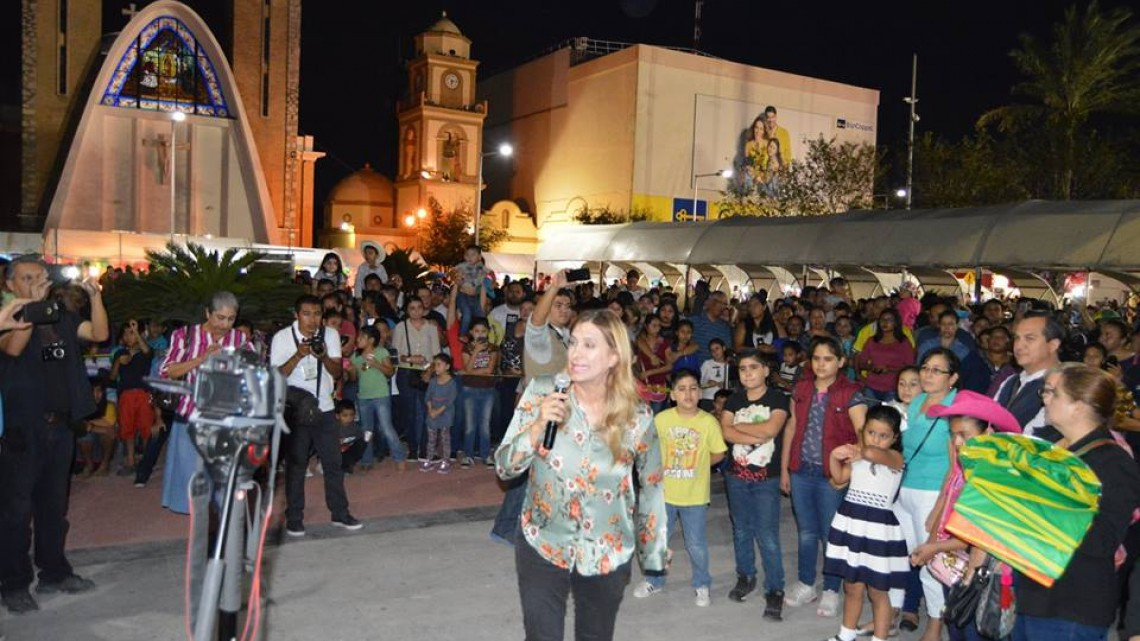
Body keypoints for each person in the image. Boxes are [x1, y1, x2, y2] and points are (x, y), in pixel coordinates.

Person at [494, 309, 666, 641]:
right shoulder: (543, 392)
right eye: (573, 342)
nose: (575, 353)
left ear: (614, 356)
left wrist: (654, 554)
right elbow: (504, 467)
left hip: (605, 551)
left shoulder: (637, 416)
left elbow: (653, 486)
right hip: (543, 543)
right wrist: (536, 428)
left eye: (589, 345)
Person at [0, 256, 107, 613]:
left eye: (40, 277)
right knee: (15, 511)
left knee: (53, 507)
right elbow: (14, 348)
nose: (35, 282)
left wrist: (95, 297)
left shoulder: (60, 315)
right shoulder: (8, 319)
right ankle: (14, 583)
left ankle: (55, 572)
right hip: (23, 429)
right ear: (10, 285)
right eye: (26, 278)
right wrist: (30, 306)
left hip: (60, 427)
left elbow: (99, 334)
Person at [1012, 365, 1140, 641]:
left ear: (1079, 407)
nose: (1045, 399)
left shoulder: (1113, 461)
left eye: (1055, 394)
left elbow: (1104, 540)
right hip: (1033, 592)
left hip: (1072, 604)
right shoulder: (1050, 447)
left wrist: (1044, 504)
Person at [909, 390, 1022, 641]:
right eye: (953, 434)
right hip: (955, 567)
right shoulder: (966, 466)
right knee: (958, 626)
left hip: (979, 571)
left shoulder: (994, 474)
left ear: (989, 432)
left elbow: (980, 534)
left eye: (964, 435)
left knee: (974, 628)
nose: (958, 442)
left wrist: (935, 547)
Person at [781, 336, 869, 617]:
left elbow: (863, 438)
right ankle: (807, 582)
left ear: (841, 362)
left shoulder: (851, 393)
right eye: (816, 358)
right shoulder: (801, 388)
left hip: (832, 475)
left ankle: (832, 587)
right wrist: (785, 467)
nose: (821, 364)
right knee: (806, 531)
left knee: (832, 533)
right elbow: (792, 427)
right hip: (801, 470)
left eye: (828, 358)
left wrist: (847, 473)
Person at [632, 369, 727, 606]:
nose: (688, 393)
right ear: (672, 394)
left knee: (696, 544)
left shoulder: (708, 422)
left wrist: (697, 464)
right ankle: (655, 580)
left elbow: (719, 453)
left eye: (694, 388)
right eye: (682, 389)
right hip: (664, 494)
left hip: (694, 495)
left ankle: (702, 583)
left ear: (700, 392)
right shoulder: (662, 420)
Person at [272, 295, 361, 537]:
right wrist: (299, 355)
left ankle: (340, 513)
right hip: (295, 410)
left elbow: (336, 372)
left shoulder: (330, 335)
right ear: (296, 315)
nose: (313, 319)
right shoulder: (282, 338)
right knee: (296, 465)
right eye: (307, 314)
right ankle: (293, 517)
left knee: (333, 463)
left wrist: (321, 356)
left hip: (324, 407)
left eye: (317, 314)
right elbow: (276, 376)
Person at [821, 405, 908, 641]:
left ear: (895, 438)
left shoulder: (895, 458)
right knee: (852, 586)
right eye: (871, 433)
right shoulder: (858, 456)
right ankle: (846, 635)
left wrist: (859, 449)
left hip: (878, 529)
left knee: (878, 591)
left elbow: (871, 454)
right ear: (863, 431)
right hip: (852, 523)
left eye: (884, 435)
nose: (876, 440)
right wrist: (833, 456)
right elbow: (838, 478)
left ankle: (879, 638)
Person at [719, 350, 790, 620]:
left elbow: (770, 432)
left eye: (753, 367)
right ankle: (746, 575)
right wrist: (754, 432)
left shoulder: (778, 398)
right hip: (736, 476)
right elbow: (725, 431)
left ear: (766, 371)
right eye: (742, 369)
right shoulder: (734, 400)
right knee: (741, 530)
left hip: (766, 479)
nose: (747, 373)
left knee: (767, 534)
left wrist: (742, 429)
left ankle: (774, 589)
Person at [896, 348, 960, 641]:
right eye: (925, 368)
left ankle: (935, 623)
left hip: (931, 492)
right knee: (905, 556)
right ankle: (898, 609)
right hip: (905, 489)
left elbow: (955, 467)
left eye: (937, 370)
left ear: (953, 378)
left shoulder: (954, 409)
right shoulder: (918, 400)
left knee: (931, 563)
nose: (928, 374)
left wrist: (939, 508)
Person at [992, 311, 1063, 439]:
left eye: (1029, 338)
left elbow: (1032, 442)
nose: (1018, 346)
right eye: (1017, 338)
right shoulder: (1010, 381)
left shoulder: (1065, 386)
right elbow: (990, 422)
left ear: (1052, 345)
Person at [348, 325, 404, 471]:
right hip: (364, 396)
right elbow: (354, 377)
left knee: (386, 427)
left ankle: (399, 457)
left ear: (371, 340)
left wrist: (376, 364)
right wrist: (351, 371)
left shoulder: (381, 351)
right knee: (366, 430)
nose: (358, 339)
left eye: (362, 337)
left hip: (380, 395)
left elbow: (390, 372)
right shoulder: (356, 356)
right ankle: (367, 460)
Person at [393, 298, 440, 461]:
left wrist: (430, 371)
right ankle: (413, 449)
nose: (416, 311)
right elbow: (395, 354)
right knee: (410, 413)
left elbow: (436, 354)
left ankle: (426, 449)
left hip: (426, 372)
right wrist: (409, 358)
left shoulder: (431, 327)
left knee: (426, 412)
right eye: (412, 308)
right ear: (407, 310)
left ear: (424, 309)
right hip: (406, 372)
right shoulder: (401, 327)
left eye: (419, 307)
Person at [110, 319, 154, 474]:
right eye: (126, 334)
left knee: (146, 426)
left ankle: (146, 459)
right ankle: (130, 459)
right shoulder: (120, 352)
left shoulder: (145, 351)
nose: (129, 337)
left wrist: (137, 332)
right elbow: (113, 376)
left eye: (132, 333)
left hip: (143, 393)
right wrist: (118, 362)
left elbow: (147, 351)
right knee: (127, 428)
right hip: (126, 394)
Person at [459, 318, 500, 467]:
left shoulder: (493, 348)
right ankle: (468, 454)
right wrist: (476, 351)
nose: (480, 334)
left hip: (487, 389)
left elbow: (490, 370)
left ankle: (485, 454)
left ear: (488, 332)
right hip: (469, 388)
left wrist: (475, 371)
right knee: (470, 423)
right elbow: (468, 370)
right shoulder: (467, 349)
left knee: (484, 424)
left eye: (483, 331)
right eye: (476, 331)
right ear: (471, 332)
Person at [854, 309, 916, 402]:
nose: (885, 322)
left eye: (889, 320)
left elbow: (910, 367)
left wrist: (890, 369)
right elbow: (862, 363)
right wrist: (871, 368)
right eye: (882, 319)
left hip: (893, 387)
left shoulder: (903, 342)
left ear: (896, 323)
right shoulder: (872, 341)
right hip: (871, 386)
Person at [423, 354, 459, 473]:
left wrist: (437, 412)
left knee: (445, 438)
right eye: (435, 365)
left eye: (439, 365)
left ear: (447, 366)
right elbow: (427, 396)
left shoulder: (452, 383)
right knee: (431, 438)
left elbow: (450, 401)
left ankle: (446, 461)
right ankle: (429, 458)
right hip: (432, 412)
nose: (436, 367)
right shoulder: (433, 381)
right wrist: (430, 410)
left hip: (445, 413)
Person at [689, 291, 733, 364]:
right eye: (717, 301)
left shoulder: (725, 327)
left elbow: (727, 350)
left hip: (715, 371)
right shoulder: (693, 321)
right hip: (694, 369)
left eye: (724, 304)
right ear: (708, 302)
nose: (721, 306)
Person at [454, 246, 488, 336]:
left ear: (479, 257)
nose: (469, 257)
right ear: (464, 257)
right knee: (467, 314)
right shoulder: (462, 266)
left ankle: (483, 331)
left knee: (480, 314)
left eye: (473, 255)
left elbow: (490, 273)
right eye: (467, 255)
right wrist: (457, 279)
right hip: (463, 294)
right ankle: (462, 334)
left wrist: (492, 282)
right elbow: (452, 272)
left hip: (475, 296)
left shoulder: (481, 267)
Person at [699, 338, 730, 411]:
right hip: (708, 399)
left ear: (724, 348)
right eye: (712, 350)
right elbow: (698, 385)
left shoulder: (730, 365)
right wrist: (708, 385)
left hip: (726, 401)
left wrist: (726, 385)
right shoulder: (707, 364)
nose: (715, 352)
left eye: (717, 348)